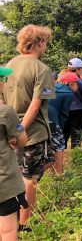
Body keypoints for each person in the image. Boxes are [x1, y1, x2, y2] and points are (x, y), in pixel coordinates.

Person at [0, 24, 55, 231]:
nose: (45, 46)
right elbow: (35, 103)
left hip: (10, 132)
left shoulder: (9, 65)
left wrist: (11, 129)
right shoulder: (41, 68)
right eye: (45, 42)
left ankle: (10, 216)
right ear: (39, 42)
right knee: (29, 179)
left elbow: (2, 99)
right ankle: (23, 223)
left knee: (15, 174)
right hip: (32, 133)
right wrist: (21, 128)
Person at [0, 67, 29, 240]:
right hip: (5, 182)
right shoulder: (5, 112)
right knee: (8, 230)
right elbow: (23, 140)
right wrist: (13, 139)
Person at [48, 72, 79, 174]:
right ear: (70, 83)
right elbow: (64, 113)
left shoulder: (53, 87)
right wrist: (59, 127)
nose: (78, 85)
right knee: (60, 143)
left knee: (49, 144)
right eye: (76, 83)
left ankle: (53, 170)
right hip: (53, 119)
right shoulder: (68, 94)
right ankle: (58, 173)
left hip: (42, 118)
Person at [63, 58, 82, 148]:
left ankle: (61, 156)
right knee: (76, 135)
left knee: (64, 134)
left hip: (65, 110)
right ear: (78, 69)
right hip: (79, 111)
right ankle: (75, 156)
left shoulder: (62, 82)